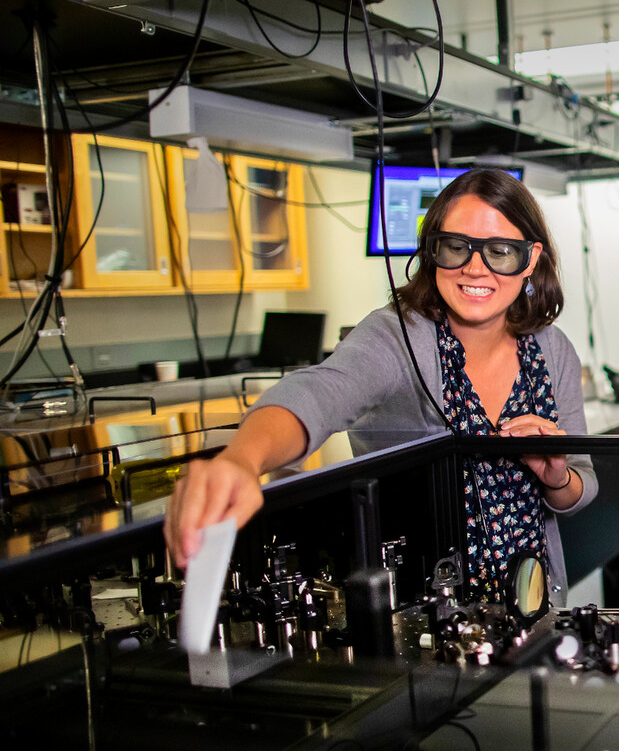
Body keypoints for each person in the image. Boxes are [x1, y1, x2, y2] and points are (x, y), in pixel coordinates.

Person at [165, 169, 597, 603]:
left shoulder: (552, 348)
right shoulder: (398, 337)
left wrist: (556, 478)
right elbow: (317, 393)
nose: (474, 267)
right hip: (424, 619)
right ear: (432, 251)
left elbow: (581, 486)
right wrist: (242, 459)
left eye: (500, 251)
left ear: (531, 257)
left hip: (533, 601)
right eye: (455, 247)